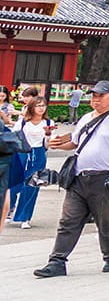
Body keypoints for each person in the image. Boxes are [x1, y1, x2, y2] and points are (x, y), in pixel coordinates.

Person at [34, 80, 109, 278]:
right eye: (93, 95)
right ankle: (57, 260)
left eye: (101, 95)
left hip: (105, 178)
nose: (96, 99)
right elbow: (75, 142)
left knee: (106, 220)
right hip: (79, 177)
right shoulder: (85, 118)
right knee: (68, 220)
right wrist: (58, 145)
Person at [7, 96, 50, 228]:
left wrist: (48, 135)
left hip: (38, 154)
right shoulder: (23, 122)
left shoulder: (48, 123)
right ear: (32, 107)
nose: (41, 108)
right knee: (15, 185)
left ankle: (25, 217)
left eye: (43, 105)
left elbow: (48, 144)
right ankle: (9, 210)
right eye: (38, 105)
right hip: (21, 154)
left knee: (32, 186)